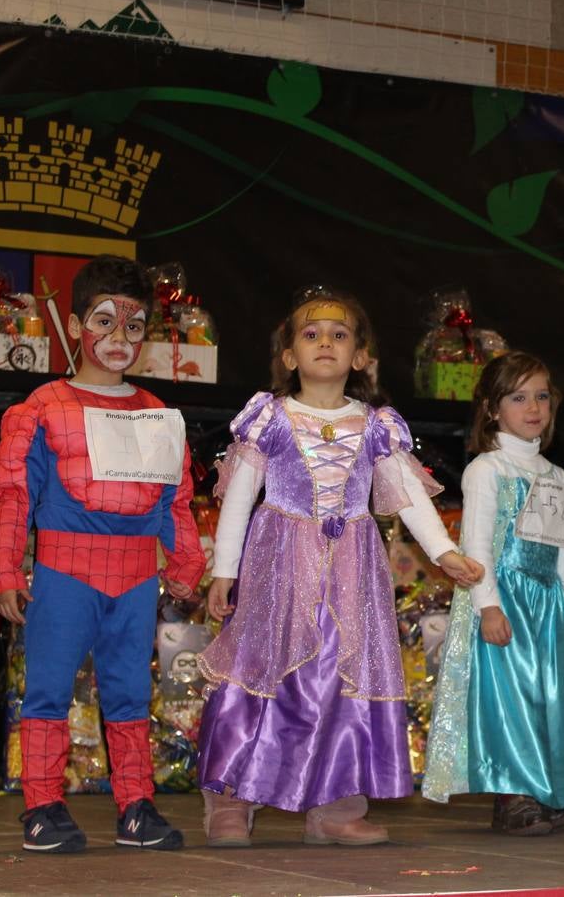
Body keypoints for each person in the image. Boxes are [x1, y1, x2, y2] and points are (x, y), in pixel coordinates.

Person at [196, 286, 482, 847]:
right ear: (289, 357)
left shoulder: (377, 426)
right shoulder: (270, 418)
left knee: (340, 677)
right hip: (278, 568)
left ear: (360, 358)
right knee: (259, 670)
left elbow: (405, 494)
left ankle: (335, 807)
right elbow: (238, 497)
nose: (324, 341)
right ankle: (231, 800)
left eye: (339, 334)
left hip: (351, 571)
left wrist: (445, 552)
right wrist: (224, 570)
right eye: (310, 334)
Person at [0, 254, 206, 853]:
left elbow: (176, 501)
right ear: (79, 323)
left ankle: (136, 805)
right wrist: (6, 569)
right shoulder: (41, 409)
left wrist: (186, 562)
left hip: (137, 577)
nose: (118, 337)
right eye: (104, 320)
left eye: (133, 325)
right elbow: (12, 495)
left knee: (131, 693)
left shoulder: (160, 416)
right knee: (49, 691)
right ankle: (42, 806)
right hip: (63, 571)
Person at [422, 351, 564, 836]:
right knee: (510, 699)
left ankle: (548, 789)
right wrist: (489, 606)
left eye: (541, 396)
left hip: (548, 605)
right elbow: (476, 545)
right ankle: (513, 795)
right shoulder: (487, 470)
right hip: (505, 599)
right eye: (519, 398)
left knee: (549, 697)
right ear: (493, 409)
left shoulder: (556, 477)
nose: (533, 407)